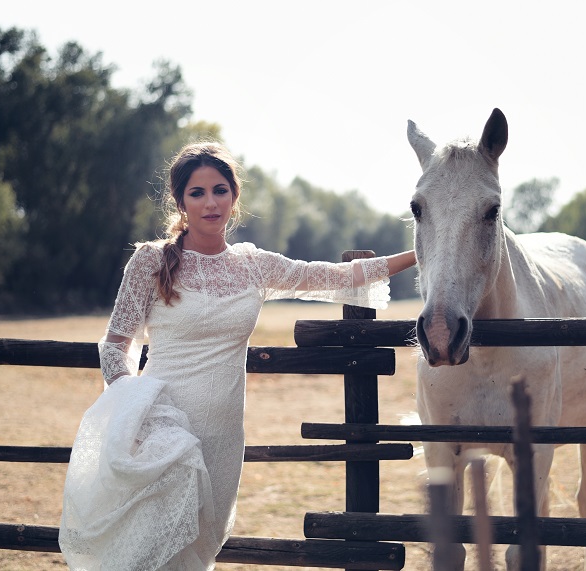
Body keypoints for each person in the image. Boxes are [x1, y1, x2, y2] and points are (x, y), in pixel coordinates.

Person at [58, 141, 416, 570]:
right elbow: (116, 345)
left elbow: (335, 275)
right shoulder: (151, 261)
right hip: (162, 430)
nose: (210, 202)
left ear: (234, 196)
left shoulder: (253, 265)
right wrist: (135, 411)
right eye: (197, 192)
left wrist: (419, 253)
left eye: (220, 190)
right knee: (154, 550)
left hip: (224, 436)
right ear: (180, 201)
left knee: (199, 549)